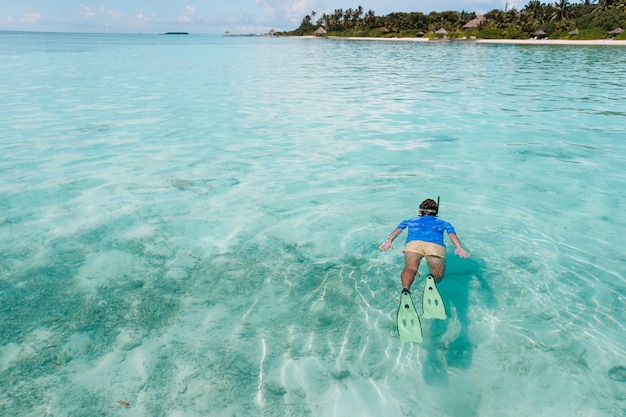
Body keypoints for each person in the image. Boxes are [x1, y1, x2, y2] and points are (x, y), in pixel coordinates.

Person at [379, 198, 470, 293]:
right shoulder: (444, 223)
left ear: (420, 211)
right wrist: (459, 247)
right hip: (434, 246)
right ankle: (432, 280)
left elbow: (397, 231)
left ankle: (406, 289)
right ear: (435, 213)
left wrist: (389, 241)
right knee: (438, 274)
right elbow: (452, 235)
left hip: (413, 244)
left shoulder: (409, 220)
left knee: (410, 268)